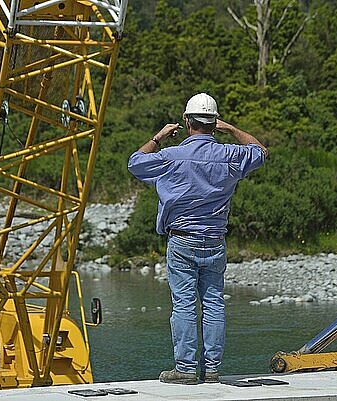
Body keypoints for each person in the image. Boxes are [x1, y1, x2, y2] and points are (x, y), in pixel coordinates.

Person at [127, 93, 267, 384]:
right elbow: (259, 151)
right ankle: (213, 369)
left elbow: (136, 162)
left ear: (187, 121)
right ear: (214, 123)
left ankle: (186, 369)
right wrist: (232, 130)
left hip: (182, 240)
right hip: (215, 240)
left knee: (184, 305)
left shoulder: (170, 156)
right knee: (214, 303)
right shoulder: (230, 155)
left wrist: (159, 136)